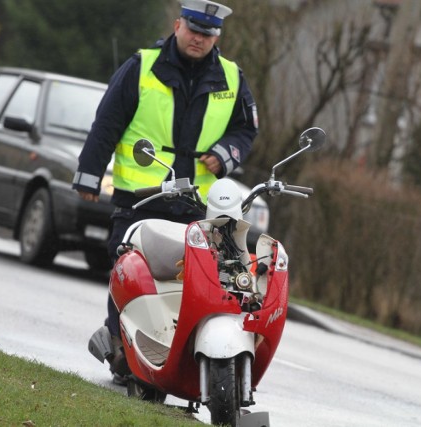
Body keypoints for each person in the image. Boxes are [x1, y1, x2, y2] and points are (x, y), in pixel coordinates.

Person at [72, 0, 258, 384]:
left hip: (197, 202)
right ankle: (122, 353)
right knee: (132, 273)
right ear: (178, 25)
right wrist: (89, 174)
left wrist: (225, 155)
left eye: (207, 34)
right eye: (193, 30)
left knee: (196, 281)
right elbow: (107, 121)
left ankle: (182, 357)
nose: (199, 39)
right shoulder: (141, 66)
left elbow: (246, 129)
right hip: (142, 193)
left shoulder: (232, 77)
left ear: (217, 37)